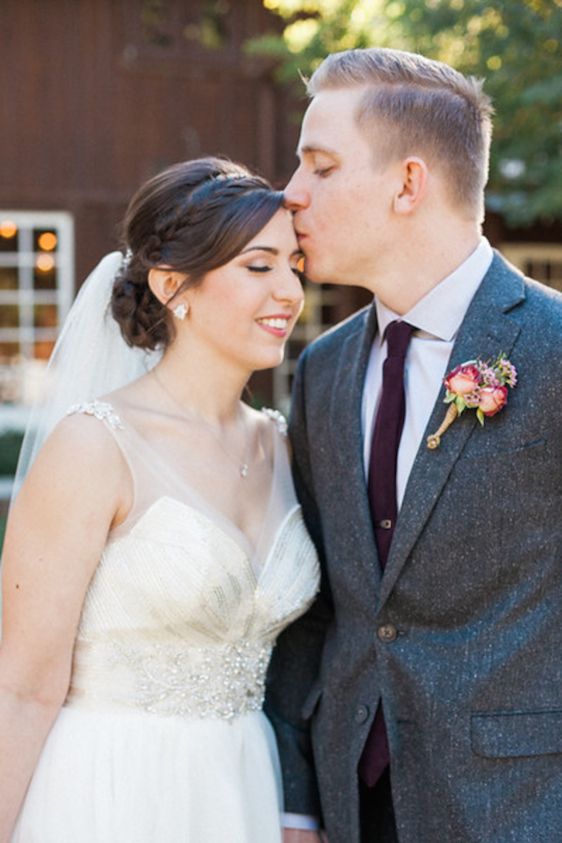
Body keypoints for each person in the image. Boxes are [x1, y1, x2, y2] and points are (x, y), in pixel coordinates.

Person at [266, 47, 562, 843]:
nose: (290, 193)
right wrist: (297, 800)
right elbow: (315, 604)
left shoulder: (555, 348)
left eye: (319, 167)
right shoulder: (322, 372)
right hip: (351, 807)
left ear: (408, 183)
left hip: (523, 807)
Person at [0, 156, 320, 843]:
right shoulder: (94, 446)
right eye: (258, 266)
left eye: (294, 264)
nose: (290, 290)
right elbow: (21, 686)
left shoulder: (283, 446)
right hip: (110, 792)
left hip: (244, 788)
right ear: (175, 285)